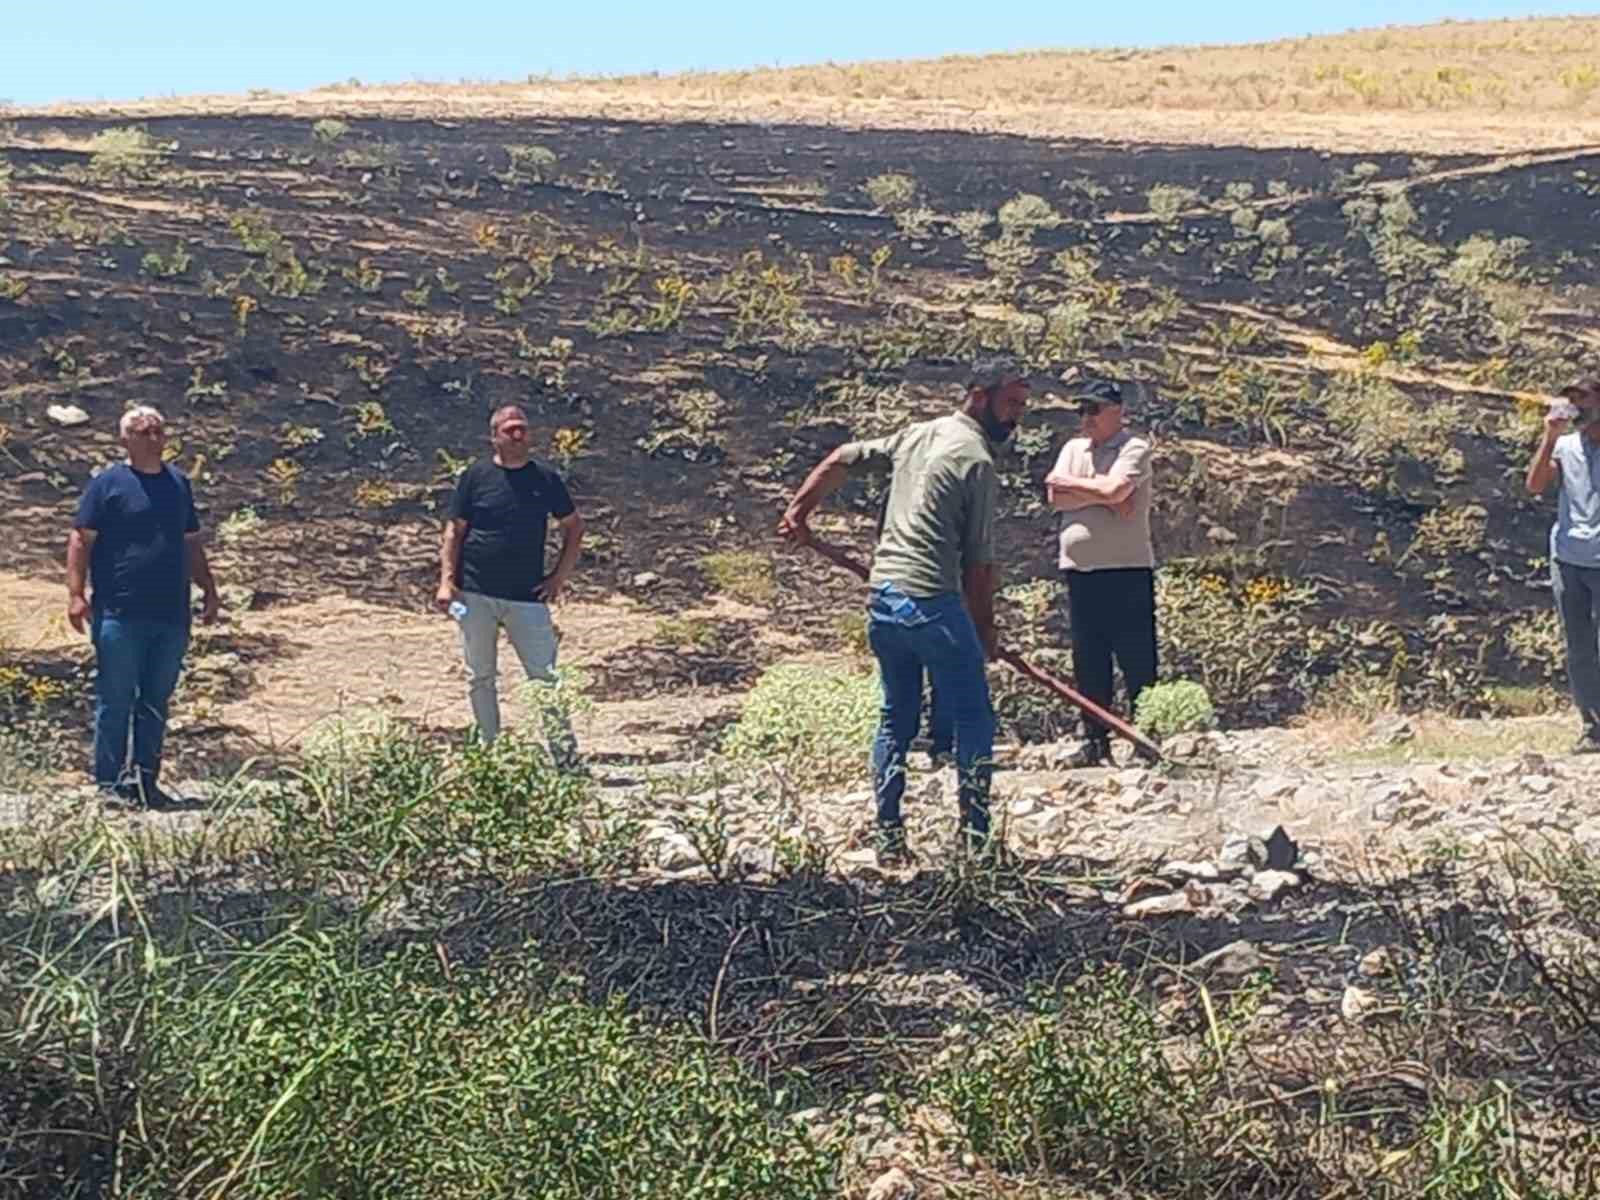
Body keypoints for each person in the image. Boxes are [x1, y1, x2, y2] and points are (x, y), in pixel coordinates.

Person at [779, 358, 1028, 863]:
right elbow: (979, 567)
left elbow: (842, 458)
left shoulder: (917, 435)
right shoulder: (976, 460)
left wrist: (798, 510)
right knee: (975, 717)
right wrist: (985, 633)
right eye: (1011, 404)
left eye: (1022, 406)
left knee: (896, 719)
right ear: (979, 396)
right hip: (932, 603)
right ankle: (977, 840)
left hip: (885, 603)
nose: (1017, 416)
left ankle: (890, 837)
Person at [66, 405, 220, 808]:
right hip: (119, 612)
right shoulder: (108, 485)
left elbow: (190, 541)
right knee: (115, 699)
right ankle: (110, 787)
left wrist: (208, 587)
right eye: (143, 431)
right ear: (125, 439)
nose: (153, 438)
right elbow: (81, 539)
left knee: (155, 701)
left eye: (158, 431)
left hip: (171, 614)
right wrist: (76, 594)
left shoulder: (178, 485)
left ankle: (147, 786)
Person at [436, 404, 585, 762]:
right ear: (494, 436)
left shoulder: (545, 479)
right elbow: (455, 531)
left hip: (527, 596)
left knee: (546, 677)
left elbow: (574, 527)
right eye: (510, 430)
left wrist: (558, 578)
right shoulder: (476, 476)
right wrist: (446, 582)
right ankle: (491, 753)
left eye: (523, 430)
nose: (518, 436)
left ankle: (565, 757)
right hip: (475, 593)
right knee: (480, 675)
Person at [1044, 377, 1157, 768]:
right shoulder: (1073, 448)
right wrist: (1105, 495)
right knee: (1088, 659)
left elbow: (1114, 493)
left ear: (1117, 412)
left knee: (1137, 657)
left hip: (1126, 570)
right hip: (1081, 571)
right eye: (1082, 410)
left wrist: (1099, 494)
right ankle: (1094, 740)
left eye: (1093, 410)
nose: (1085, 418)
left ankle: (1145, 737)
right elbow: (1055, 494)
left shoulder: (1134, 447)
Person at [1526, 378, 1600, 754]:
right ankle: (1593, 727)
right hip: (1569, 559)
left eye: (1583, 399)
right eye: (1570, 400)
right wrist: (1549, 437)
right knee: (1580, 646)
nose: (1576, 407)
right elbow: (1535, 485)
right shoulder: (1566, 447)